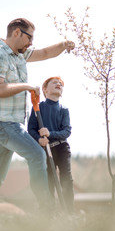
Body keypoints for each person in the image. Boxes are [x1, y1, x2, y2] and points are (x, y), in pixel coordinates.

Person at [0, 18, 75, 220]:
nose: (31, 44)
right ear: (17, 33)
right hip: (2, 123)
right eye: (29, 38)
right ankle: (47, 212)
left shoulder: (18, 56)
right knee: (37, 154)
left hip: (8, 123)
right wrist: (26, 86)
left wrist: (64, 45)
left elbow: (45, 53)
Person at [28, 76, 74, 213]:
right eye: (54, 83)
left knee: (66, 178)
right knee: (49, 181)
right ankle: (50, 214)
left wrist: (50, 134)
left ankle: (69, 212)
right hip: (45, 149)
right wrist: (38, 139)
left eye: (60, 84)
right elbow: (30, 128)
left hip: (61, 147)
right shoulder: (38, 107)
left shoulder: (64, 109)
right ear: (45, 90)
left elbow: (67, 131)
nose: (58, 84)